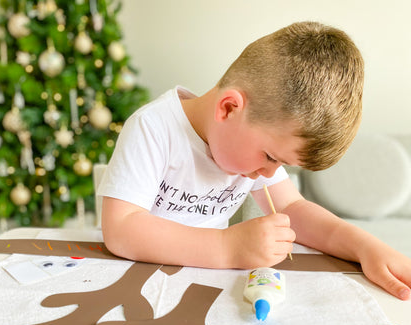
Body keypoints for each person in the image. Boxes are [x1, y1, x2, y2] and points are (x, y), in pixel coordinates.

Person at [97, 21, 411, 300]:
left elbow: (292, 210)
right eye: (271, 157)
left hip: (202, 290)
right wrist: (226, 247)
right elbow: (121, 229)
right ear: (229, 108)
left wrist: (366, 247)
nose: (267, 173)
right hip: (133, 285)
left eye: (281, 165)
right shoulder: (153, 128)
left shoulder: (253, 143)